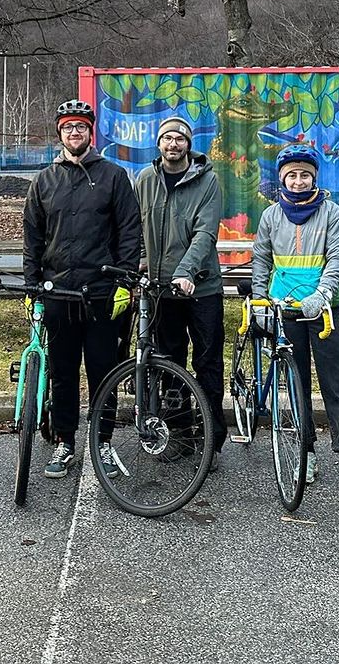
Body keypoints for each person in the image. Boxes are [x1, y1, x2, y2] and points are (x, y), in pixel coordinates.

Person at [23, 98, 141, 480]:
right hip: (59, 292)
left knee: (103, 371)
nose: (75, 133)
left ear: (91, 133)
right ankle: (65, 441)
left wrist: (124, 280)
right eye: (68, 128)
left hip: (102, 292)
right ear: (60, 134)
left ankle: (103, 442)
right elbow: (32, 237)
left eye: (81, 127)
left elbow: (130, 232)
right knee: (63, 372)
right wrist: (31, 283)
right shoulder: (44, 180)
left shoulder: (114, 176)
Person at [251, 143, 339, 501]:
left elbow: (338, 258)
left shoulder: (331, 212)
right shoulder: (271, 215)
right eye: (292, 175)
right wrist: (259, 299)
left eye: (305, 175)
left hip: (323, 311)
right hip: (285, 310)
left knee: (337, 386)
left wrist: (322, 294)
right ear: (283, 179)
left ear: (314, 177)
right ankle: (307, 452)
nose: (299, 181)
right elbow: (261, 259)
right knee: (296, 385)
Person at [134, 115, 226, 470]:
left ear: (188, 144)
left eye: (179, 139)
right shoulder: (145, 179)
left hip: (201, 288)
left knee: (207, 364)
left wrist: (186, 272)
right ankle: (180, 434)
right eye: (167, 138)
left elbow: (205, 233)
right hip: (162, 292)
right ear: (159, 143)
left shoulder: (208, 181)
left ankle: (211, 440)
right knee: (170, 366)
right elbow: (137, 226)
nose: (173, 144)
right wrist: (142, 260)